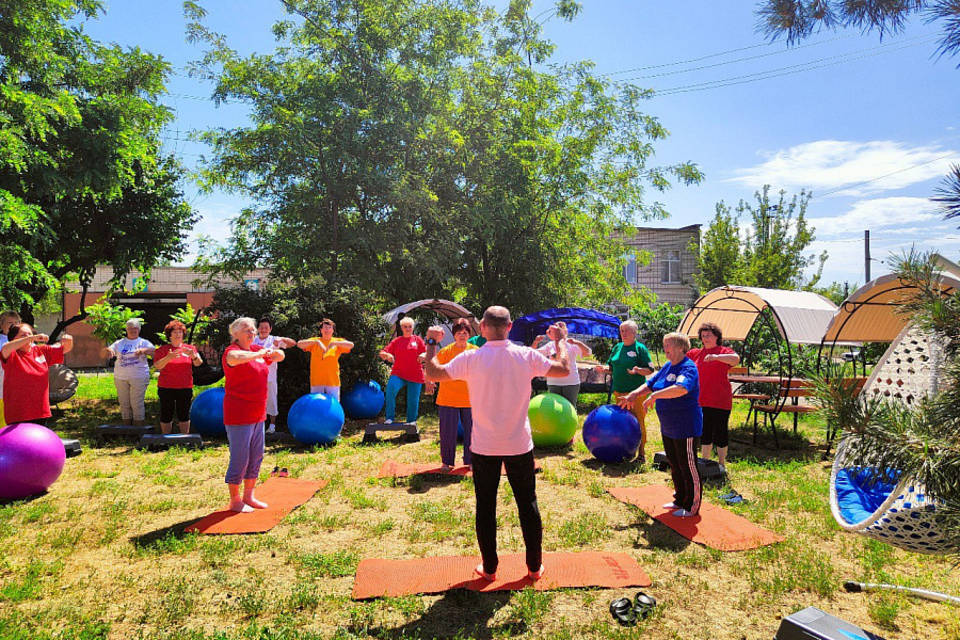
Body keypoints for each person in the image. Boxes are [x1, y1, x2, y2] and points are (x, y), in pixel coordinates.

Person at [423, 306, 572, 582]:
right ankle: (534, 568)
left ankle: (489, 569)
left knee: (486, 506)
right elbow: (563, 369)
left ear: (481, 327)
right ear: (510, 326)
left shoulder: (471, 358)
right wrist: (561, 340)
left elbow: (433, 373)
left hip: (484, 447)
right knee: (528, 503)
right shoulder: (525, 355)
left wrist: (432, 342)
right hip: (518, 444)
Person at [618, 332, 702, 517]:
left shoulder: (688, 367)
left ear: (681, 347)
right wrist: (634, 394)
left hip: (685, 426)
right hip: (669, 426)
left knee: (688, 466)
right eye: (664, 345)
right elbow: (650, 384)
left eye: (669, 345)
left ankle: (691, 506)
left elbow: (680, 389)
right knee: (675, 463)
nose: (666, 349)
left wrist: (655, 396)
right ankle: (679, 499)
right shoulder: (667, 366)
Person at [222, 317, 285, 512]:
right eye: (247, 330)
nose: (252, 333)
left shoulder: (257, 350)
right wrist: (258, 355)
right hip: (239, 413)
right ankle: (235, 499)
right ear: (235, 334)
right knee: (240, 457)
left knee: (256, 456)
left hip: (258, 413)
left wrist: (273, 351)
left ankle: (249, 496)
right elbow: (235, 360)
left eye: (253, 330)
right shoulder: (231, 352)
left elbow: (280, 356)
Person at [594, 320, 654, 461]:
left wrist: (638, 370)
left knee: (638, 422)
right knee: (622, 423)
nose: (624, 333)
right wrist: (604, 369)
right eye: (622, 331)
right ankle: (627, 449)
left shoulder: (640, 348)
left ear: (634, 333)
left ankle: (642, 453)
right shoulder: (617, 348)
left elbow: (650, 370)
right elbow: (612, 368)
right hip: (619, 393)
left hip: (636, 394)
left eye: (627, 331)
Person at [687, 322, 740, 469]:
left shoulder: (723, 351)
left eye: (708, 335)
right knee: (705, 431)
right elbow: (681, 361)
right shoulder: (695, 353)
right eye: (703, 336)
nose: (705, 338)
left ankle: (721, 464)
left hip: (720, 400)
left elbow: (736, 359)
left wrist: (716, 357)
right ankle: (705, 462)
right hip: (701, 400)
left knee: (721, 431)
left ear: (717, 336)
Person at [1, 323, 73, 425]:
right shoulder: (11, 354)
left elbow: (64, 349)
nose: (28, 337)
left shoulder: (40, 351)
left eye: (29, 334)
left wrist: (68, 341)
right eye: (23, 335)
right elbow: (5, 348)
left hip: (40, 412)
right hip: (18, 413)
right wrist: (32, 337)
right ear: (13, 338)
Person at [435, 318, 478, 470]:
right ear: (454, 335)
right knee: (447, 433)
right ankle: (447, 462)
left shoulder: (475, 351)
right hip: (448, 399)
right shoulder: (445, 351)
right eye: (459, 332)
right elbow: (434, 368)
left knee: (473, 432)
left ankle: (472, 461)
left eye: (465, 332)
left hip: (470, 399)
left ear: (469, 334)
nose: (462, 335)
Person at [153, 320, 203, 434]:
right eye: (175, 332)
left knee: (184, 413)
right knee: (166, 412)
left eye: (180, 332)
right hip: (166, 387)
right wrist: (168, 358)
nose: (178, 334)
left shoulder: (190, 348)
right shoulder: (162, 350)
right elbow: (157, 366)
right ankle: (166, 439)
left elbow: (198, 363)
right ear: (169, 335)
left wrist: (193, 356)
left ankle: (184, 439)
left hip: (185, 386)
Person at [103, 318, 154, 426]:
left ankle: (138, 431)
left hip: (139, 377)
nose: (133, 330)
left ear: (139, 330)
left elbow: (154, 352)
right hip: (120, 377)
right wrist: (109, 350)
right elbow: (109, 349)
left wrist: (144, 351)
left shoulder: (143, 342)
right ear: (126, 330)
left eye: (135, 328)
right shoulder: (119, 343)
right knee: (124, 403)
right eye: (130, 328)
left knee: (136, 403)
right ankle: (126, 429)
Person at [251, 317, 296, 434]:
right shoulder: (253, 340)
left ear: (270, 329)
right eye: (261, 327)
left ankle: (272, 425)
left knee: (271, 400)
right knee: (255, 401)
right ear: (257, 329)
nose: (263, 330)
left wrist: (282, 339)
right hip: (254, 377)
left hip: (269, 376)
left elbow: (293, 343)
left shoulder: (274, 340)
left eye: (266, 327)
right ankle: (256, 425)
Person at [379, 317, 426, 424]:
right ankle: (389, 418)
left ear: (413, 328)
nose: (408, 329)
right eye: (405, 327)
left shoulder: (417, 340)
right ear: (401, 328)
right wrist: (387, 355)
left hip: (415, 374)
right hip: (398, 373)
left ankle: (411, 421)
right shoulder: (397, 341)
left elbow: (426, 352)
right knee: (390, 390)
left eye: (410, 326)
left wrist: (423, 355)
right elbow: (383, 352)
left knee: (413, 400)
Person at [297, 318, 354, 400]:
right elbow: (299, 344)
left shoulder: (337, 341)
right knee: (316, 405)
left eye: (329, 327)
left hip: (333, 381)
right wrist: (317, 342)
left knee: (334, 406)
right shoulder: (315, 341)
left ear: (333, 330)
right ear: (321, 330)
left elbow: (351, 345)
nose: (327, 329)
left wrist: (334, 343)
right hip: (317, 381)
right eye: (325, 327)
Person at [531, 333, 592, 407]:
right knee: (555, 409)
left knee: (570, 407)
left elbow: (588, 353)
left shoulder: (571, 343)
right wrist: (536, 342)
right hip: (553, 383)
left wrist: (577, 343)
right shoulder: (550, 345)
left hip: (571, 383)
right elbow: (533, 354)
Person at [0, 310, 22, 426]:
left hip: (20, 392)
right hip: (2, 392)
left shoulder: (26, 341)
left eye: (16, 322)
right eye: (10, 323)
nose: (13, 325)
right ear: (1, 325)